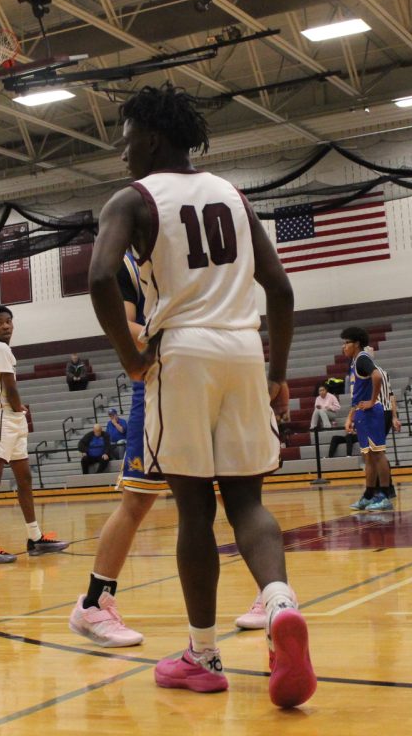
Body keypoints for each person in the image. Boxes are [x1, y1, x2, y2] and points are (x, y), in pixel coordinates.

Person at [87, 82, 314, 707]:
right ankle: (280, 603)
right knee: (248, 500)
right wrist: (279, 371)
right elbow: (282, 290)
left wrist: (132, 358)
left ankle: (203, 653)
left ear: (153, 137)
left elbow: (101, 276)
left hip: (181, 350)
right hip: (244, 347)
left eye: (128, 138)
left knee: (194, 509)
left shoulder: (132, 200)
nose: (123, 151)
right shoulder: (233, 195)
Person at [70, 251, 264, 649]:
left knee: (237, 490)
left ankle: (272, 592)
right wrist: (177, 340)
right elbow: (123, 322)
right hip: (160, 381)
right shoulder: (125, 261)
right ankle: (93, 603)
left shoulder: (191, 247)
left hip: (209, 374)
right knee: (138, 499)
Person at [0, 304, 69, 565]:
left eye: (9, 321)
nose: (6, 326)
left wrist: (13, 408)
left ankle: (35, 538)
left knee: (24, 477)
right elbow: (10, 386)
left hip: (10, 418)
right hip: (0, 417)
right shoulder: (0, 348)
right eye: (0, 322)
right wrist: (18, 407)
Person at [342, 328, 396, 512]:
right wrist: (351, 416)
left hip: (372, 412)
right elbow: (356, 395)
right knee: (368, 456)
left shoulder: (362, 358)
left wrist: (373, 400)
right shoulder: (355, 362)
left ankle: (385, 496)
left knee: (378, 454)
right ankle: (368, 495)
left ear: (356, 343)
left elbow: (377, 375)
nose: (344, 346)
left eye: (347, 342)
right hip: (362, 413)